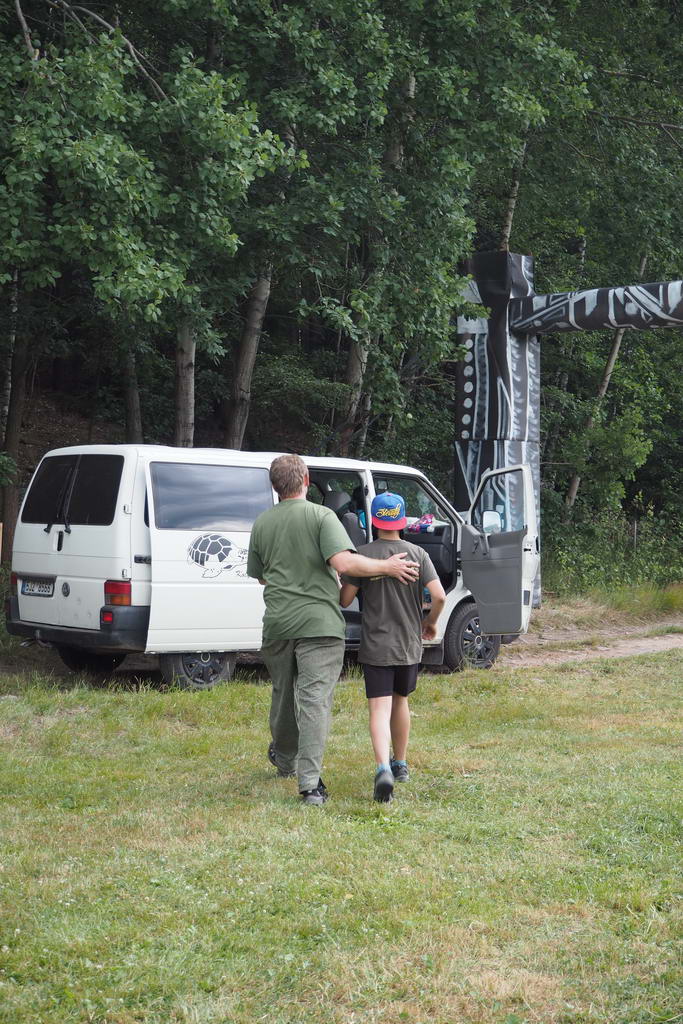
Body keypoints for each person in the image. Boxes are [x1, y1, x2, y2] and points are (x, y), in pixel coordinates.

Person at [247, 455, 420, 806]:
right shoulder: (321, 516)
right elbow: (344, 562)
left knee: (283, 694)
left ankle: (284, 758)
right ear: (306, 480)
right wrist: (386, 566)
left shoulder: (262, 523)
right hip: (319, 625)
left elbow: (261, 576)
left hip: (278, 623)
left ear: (274, 486)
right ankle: (310, 785)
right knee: (313, 700)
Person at [339, 492, 446, 803]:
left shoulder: (363, 555)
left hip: (376, 645)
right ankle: (400, 764)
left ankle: (382, 768)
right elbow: (439, 596)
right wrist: (430, 622)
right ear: (402, 521)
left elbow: (344, 600)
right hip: (408, 644)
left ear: (373, 521)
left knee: (379, 708)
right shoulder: (417, 554)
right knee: (401, 702)